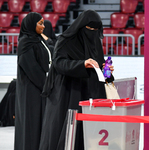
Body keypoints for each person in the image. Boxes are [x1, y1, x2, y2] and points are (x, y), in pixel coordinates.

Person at [39, 9, 114, 150]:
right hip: (68, 92)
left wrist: (107, 71)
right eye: (90, 29)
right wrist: (82, 64)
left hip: (91, 92)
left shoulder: (95, 41)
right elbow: (59, 63)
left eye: (96, 29)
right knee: (68, 133)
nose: (93, 32)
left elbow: (99, 66)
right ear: (81, 26)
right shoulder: (65, 40)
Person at [14, 12, 53, 150]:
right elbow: (31, 68)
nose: (43, 26)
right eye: (40, 23)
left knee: (39, 123)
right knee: (30, 124)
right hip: (30, 90)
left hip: (39, 87)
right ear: (32, 24)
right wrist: (47, 85)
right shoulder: (25, 42)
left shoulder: (38, 40)